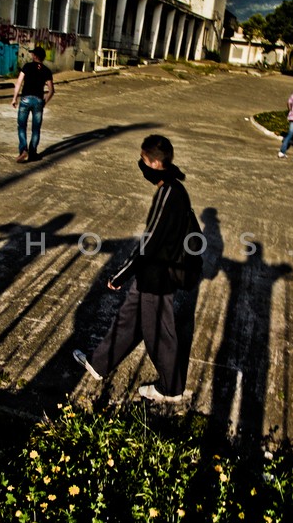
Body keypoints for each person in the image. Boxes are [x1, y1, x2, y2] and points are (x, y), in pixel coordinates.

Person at [74, 134, 193, 403]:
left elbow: (149, 243)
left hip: (158, 276)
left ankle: (171, 389)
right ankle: (98, 364)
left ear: (152, 162)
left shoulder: (169, 194)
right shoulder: (174, 189)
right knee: (128, 320)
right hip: (149, 275)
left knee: (159, 334)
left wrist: (121, 273)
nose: (140, 164)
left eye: (142, 159)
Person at [11, 46, 54, 163]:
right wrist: (44, 102)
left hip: (25, 99)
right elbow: (51, 90)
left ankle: (23, 149)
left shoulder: (27, 67)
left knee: (21, 126)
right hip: (38, 100)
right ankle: (33, 152)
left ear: (34, 56)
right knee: (36, 129)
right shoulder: (46, 70)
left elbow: (18, 83)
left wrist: (14, 98)